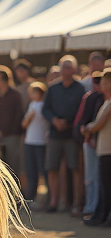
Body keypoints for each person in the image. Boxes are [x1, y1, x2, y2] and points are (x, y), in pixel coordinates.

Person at [42, 55, 86, 213]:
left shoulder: (80, 88)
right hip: (55, 134)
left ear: (74, 69)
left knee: (75, 168)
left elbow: (83, 111)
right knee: (52, 168)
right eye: (64, 67)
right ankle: (54, 201)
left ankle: (76, 203)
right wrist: (54, 120)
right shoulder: (53, 88)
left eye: (69, 67)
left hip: (71, 135)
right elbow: (45, 109)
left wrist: (70, 122)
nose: (66, 71)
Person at [0, 66, 24, 178]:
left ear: (4, 80)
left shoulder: (15, 95)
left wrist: (7, 130)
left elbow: (18, 116)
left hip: (12, 136)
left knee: (12, 168)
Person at [76, 70, 105, 217]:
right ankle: (90, 207)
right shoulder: (91, 98)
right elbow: (84, 123)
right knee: (91, 178)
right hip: (91, 142)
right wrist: (89, 136)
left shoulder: (106, 100)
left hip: (104, 143)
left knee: (102, 179)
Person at [83, 73, 111, 226]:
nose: (103, 84)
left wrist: (88, 128)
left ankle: (104, 216)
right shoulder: (106, 102)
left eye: (106, 82)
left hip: (108, 151)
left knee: (106, 187)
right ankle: (102, 215)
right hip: (104, 150)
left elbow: (98, 124)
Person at [22, 82, 48, 203]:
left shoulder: (44, 106)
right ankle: (31, 195)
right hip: (30, 141)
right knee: (31, 170)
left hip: (41, 142)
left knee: (43, 170)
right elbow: (24, 124)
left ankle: (46, 196)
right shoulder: (31, 105)